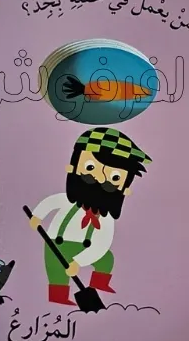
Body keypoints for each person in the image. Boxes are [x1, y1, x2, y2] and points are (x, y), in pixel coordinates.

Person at [29, 127, 151, 305]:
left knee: (106, 259)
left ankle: (99, 283)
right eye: (90, 168)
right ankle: (58, 295)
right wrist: (37, 216)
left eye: (114, 177)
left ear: (125, 188)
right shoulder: (67, 201)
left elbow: (101, 246)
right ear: (73, 167)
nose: (100, 179)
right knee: (56, 271)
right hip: (56, 242)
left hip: (85, 248)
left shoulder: (106, 219)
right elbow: (51, 203)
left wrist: (78, 262)